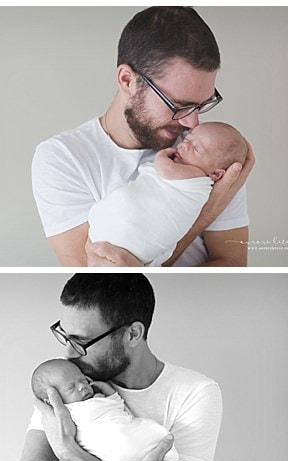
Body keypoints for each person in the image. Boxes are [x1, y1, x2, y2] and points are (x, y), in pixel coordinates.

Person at [32, 7, 255, 267]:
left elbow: (232, 264)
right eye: (178, 104)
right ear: (128, 80)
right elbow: (99, 286)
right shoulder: (63, 158)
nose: (192, 122)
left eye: (201, 105)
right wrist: (208, 211)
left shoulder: (209, 151)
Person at [18, 274, 222, 461]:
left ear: (133, 334)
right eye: (66, 337)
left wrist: (74, 456)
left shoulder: (196, 392)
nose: (69, 353)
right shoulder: (67, 382)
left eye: (81, 342)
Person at [88, 122, 248, 266]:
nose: (184, 144)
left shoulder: (197, 179)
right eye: (189, 139)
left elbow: (165, 170)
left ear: (216, 174)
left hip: (135, 241)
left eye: (196, 148)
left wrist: (162, 156)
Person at [31, 358, 179, 461]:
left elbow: (117, 406)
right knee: (140, 440)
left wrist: (106, 393)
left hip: (124, 432)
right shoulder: (67, 412)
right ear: (52, 399)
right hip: (114, 446)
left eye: (83, 380)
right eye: (71, 387)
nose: (82, 387)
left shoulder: (96, 400)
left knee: (148, 430)